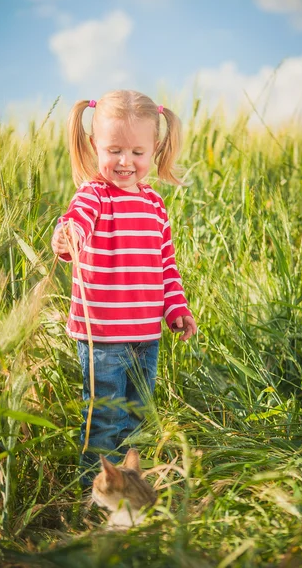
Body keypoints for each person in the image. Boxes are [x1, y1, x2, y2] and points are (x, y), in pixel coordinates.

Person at [51, 90, 197, 487]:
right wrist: (67, 237)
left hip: (146, 336)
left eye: (137, 152)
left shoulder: (154, 205)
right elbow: (74, 222)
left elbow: (165, 265)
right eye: (114, 150)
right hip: (104, 338)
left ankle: (128, 492)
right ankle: (94, 496)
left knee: (136, 418)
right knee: (103, 420)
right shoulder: (94, 195)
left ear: (155, 150)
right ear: (94, 146)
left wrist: (175, 308)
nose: (125, 162)